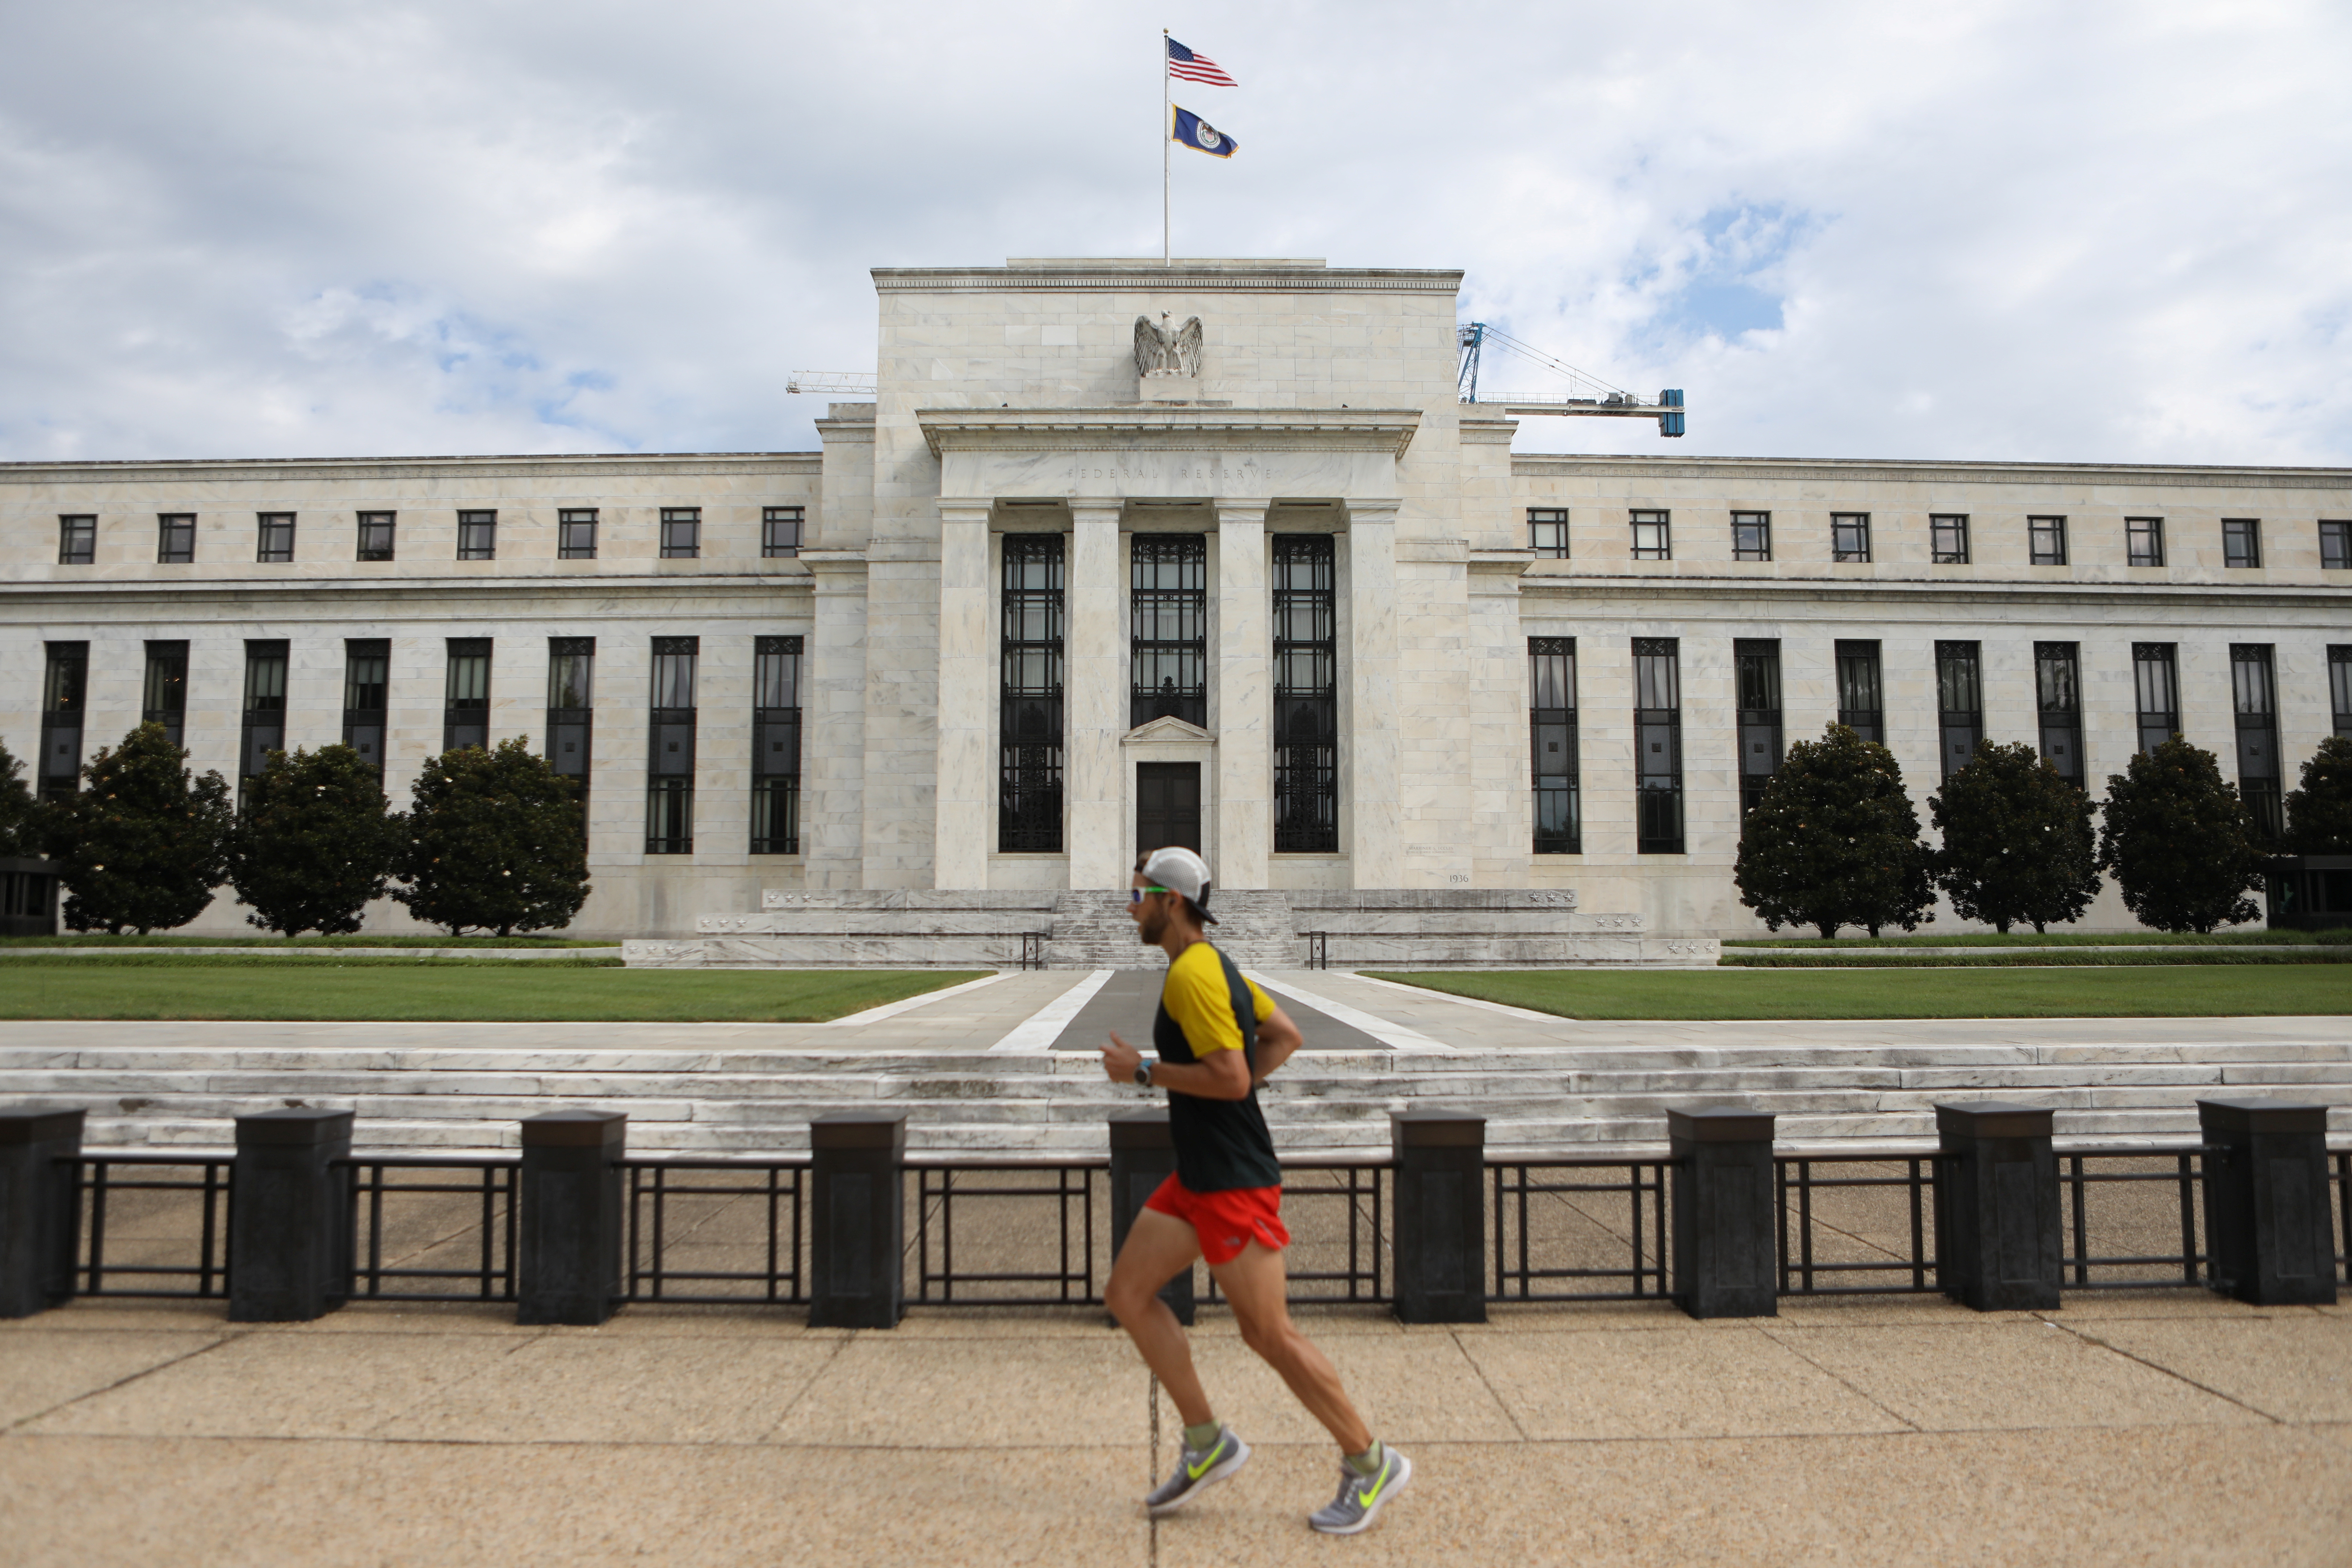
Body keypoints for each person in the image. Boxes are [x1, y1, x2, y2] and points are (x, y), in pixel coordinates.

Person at [1100, 846, 1410, 1536]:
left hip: (1234, 1181)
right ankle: (1208, 1440)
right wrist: (1220, 1096)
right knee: (1126, 1293)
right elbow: (1284, 1035)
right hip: (1200, 1174)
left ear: (1169, 902)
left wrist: (1146, 1074)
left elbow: (1234, 1077)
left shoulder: (1193, 976)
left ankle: (1370, 1460)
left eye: (1137, 896)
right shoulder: (1214, 965)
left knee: (1268, 1333)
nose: (1130, 908)